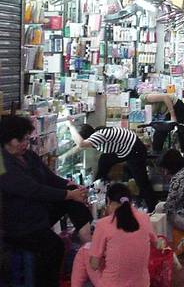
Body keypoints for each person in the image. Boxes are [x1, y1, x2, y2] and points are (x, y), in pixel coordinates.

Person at [0, 115, 93, 287]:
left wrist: (70, 186)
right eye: (21, 140)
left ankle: (89, 242)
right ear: (8, 139)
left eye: (27, 139)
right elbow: (33, 190)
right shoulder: (3, 164)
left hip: (37, 213)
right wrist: (67, 194)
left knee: (73, 196)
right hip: (19, 224)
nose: (25, 144)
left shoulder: (28, 156)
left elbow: (49, 178)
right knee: (55, 247)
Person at [71, 183, 157, 287]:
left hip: (111, 284)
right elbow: (155, 243)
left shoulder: (103, 224)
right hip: (142, 284)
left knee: (84, 250)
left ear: (108, 201)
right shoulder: (145, 218)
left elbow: (94, 265)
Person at [74, 124, 157, 210]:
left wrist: (71, 125)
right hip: (128, 149)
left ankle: (153, 207)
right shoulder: (96, 134)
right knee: (104, 160)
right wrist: (63, 156)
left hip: (135, 151)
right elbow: (78, 146)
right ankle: (100, 185)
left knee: (142, 182)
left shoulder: (98, 136)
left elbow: (81, 144)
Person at [138, 91, 184, 163]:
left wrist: (173, 115)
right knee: (159, 134)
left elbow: (166, 97)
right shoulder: (138, 112)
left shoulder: (144, 98)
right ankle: (156, 159)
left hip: (177, 107)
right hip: (167, 112)